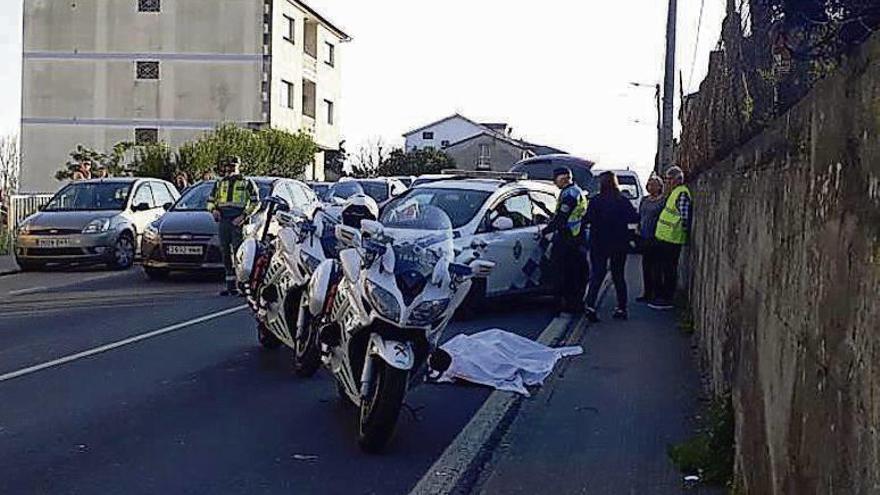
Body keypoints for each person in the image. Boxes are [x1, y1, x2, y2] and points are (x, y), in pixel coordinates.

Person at [583, 171, 639, 321]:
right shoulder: (622, 201)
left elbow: (587, 219)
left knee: (597, 275)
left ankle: (590, 306)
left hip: (599, 242)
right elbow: (634, 218)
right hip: (619, 243)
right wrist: (630, 236)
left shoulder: (595, 201)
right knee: (618, 276)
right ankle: (621, 308)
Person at [206, 156, 259, 296]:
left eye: (233, 166)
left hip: (238, 220)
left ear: (238, 166)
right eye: (228, 166)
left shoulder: (246, 182)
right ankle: (230, 286)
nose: (230, 169)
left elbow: (255, 202)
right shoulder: (219, 183)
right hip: (223, 220)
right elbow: (210, 201)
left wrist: (244, 216)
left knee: (239, 253)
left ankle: (243, 286)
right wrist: (214, 210)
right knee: (225, 252)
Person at [541, 167, 589, 314]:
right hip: (577, 237)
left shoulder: (569, 195)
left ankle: (564, 305)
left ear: (562, 178)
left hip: (568, 239)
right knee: (575, 273)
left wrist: (545, 231)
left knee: (563, 273)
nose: (554, 182)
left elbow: (561, 218)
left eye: (555, 179)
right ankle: (574, 303)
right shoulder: (577, 191)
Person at [650, 166, 692, 311]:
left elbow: (685, 216)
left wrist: (686, 234)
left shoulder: (681, 193)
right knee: (663, 268)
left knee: (669, 270)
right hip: (665, 237)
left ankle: (667, 299)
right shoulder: (674, 193)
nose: (667, 182)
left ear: (677, 180)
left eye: (669, 179)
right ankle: (662, 297)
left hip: (673, 238)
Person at [637, 175, 665, 303]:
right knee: (646, 266)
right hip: (644, 236)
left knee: (657, 267)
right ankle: (647, 293)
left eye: (654, 184)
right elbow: (640, 216)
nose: (651, 187)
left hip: (657, 237)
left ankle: (657, 293)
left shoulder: (663, 201)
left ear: (660, 186)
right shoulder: (644, 200)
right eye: (649, 184)